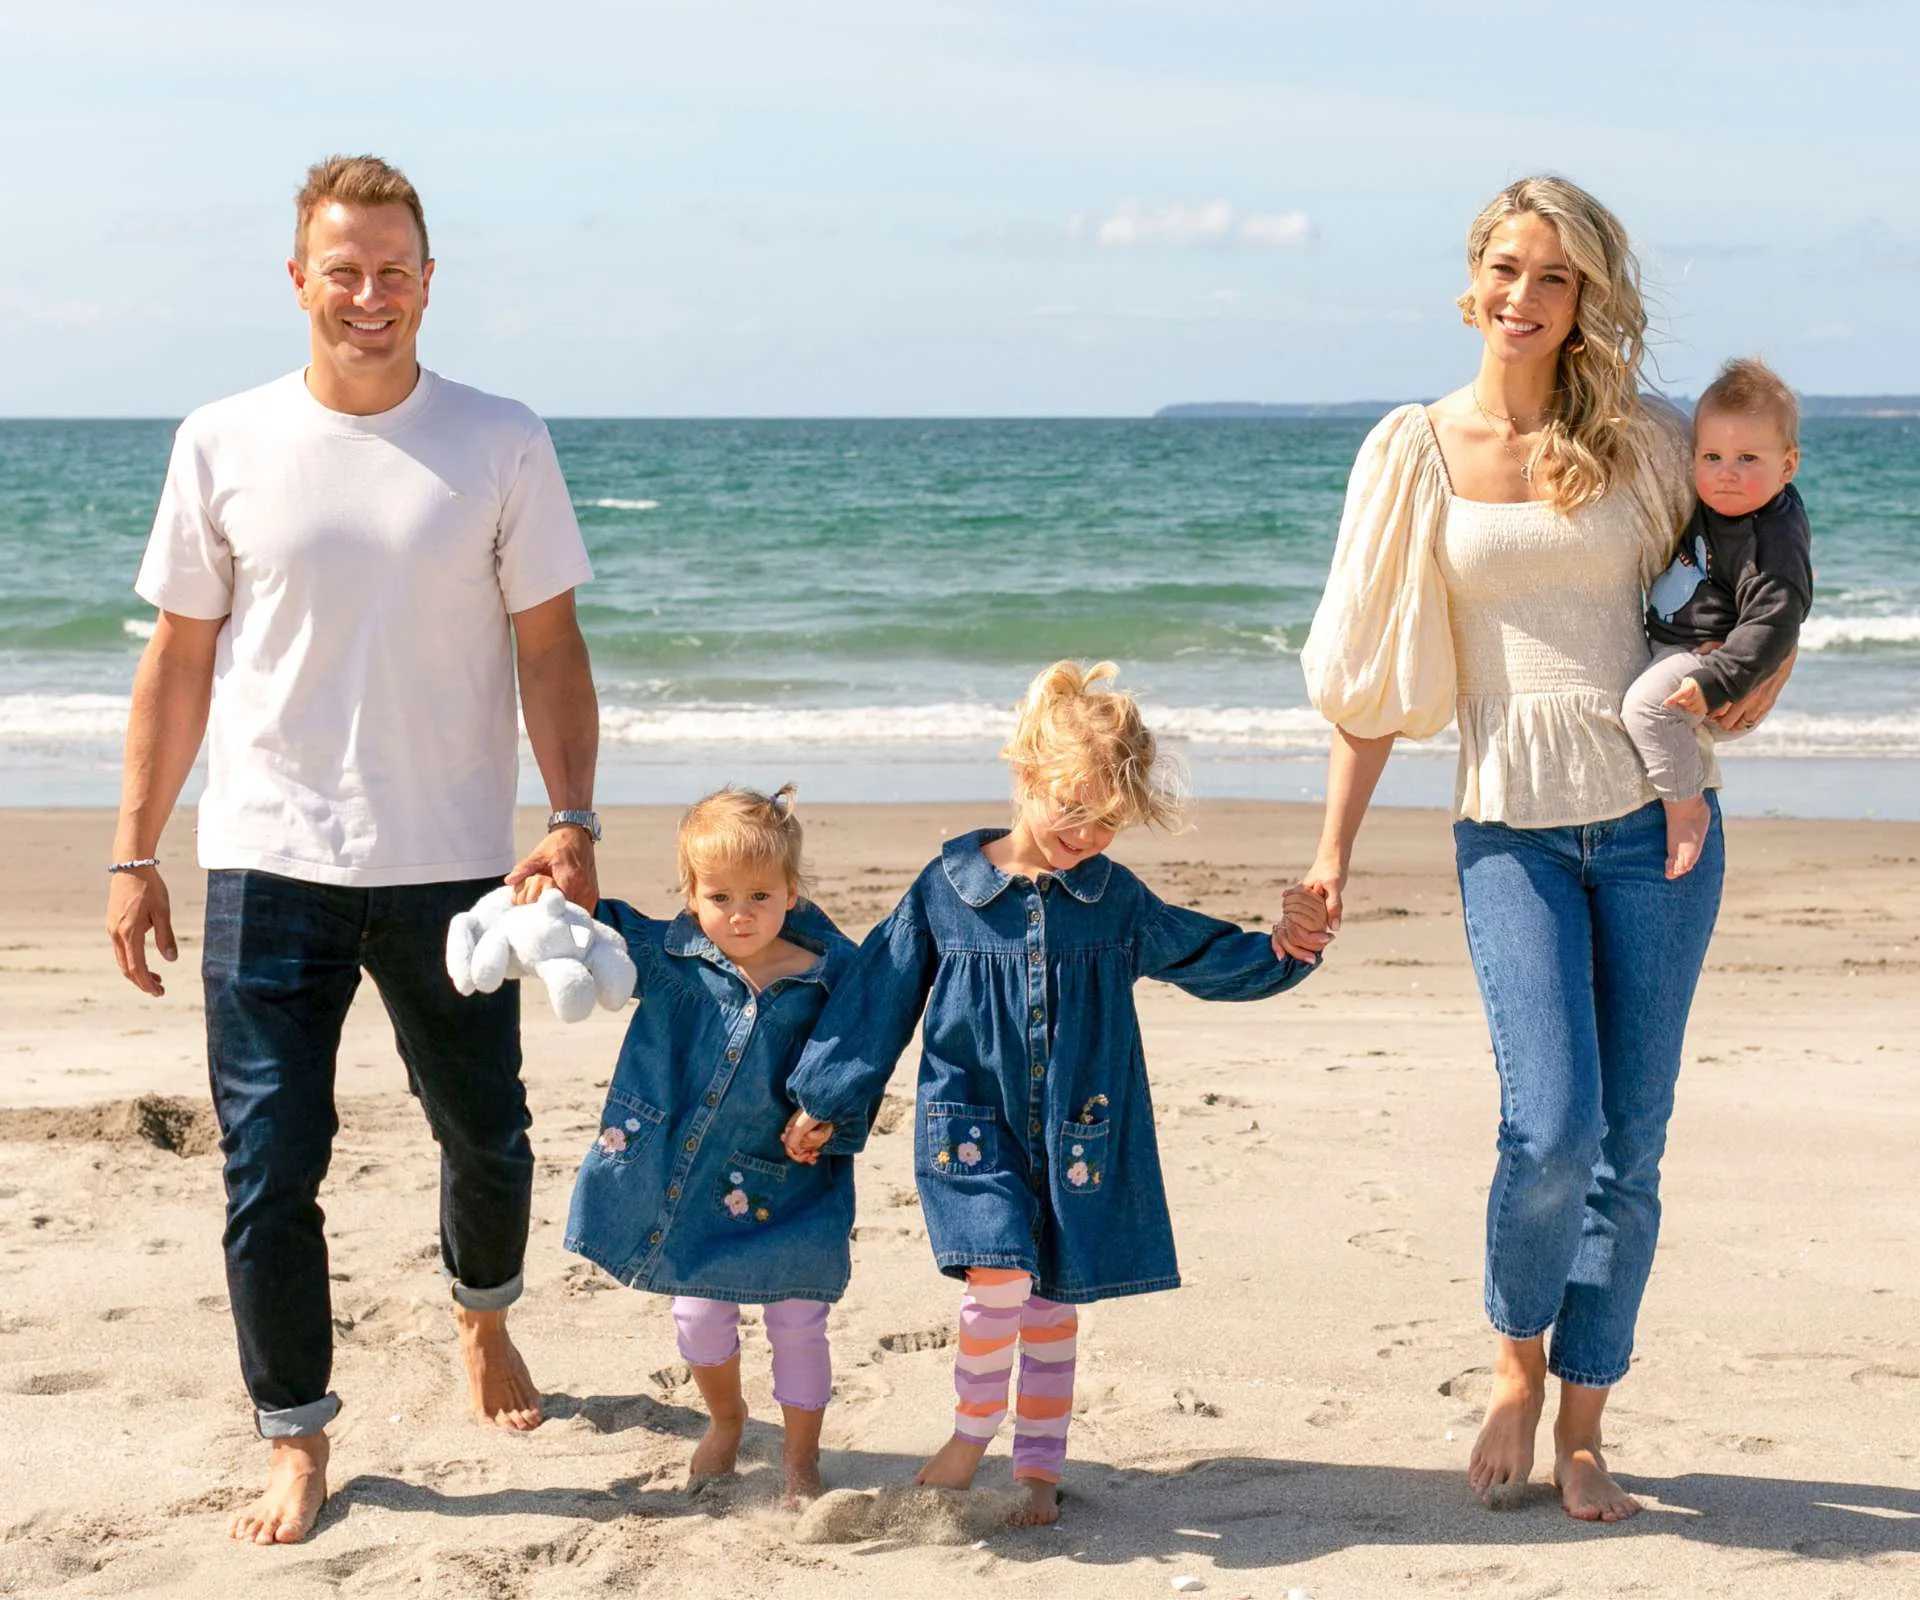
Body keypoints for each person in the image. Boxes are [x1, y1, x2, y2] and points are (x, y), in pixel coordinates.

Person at [104, 154, 602, 1546]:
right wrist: (133, 851)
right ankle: (296, 1433)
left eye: (395, 270)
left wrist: (571, 819)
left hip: (455, 863)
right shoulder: (222, 441)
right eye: (345, 270)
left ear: (429, 281)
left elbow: (549, 649)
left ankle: (483, 1315)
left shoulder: (500, 439)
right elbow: (177, 666)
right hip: (268, 862)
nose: (370, 295)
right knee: (270, 1165)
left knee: (487, 1138)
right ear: (299, 280)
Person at [1280, 176, 1794, 1524]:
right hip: (1508, 827)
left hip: (1658, 823)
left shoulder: (1653, 438)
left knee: (1633, 1142)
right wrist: (1331, 854)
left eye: (1553, 277)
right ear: (1473, 279)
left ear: (1585, 300)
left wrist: (1756, 681)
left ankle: (1586, 1423)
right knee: (1550, 1127)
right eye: (1507, 268)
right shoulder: (1413, 451)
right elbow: (1373, 672)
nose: (1524, 296)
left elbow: (1765, 572)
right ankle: (1515, 1361)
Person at [780, 661, 1326, 1527]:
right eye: (1072, 808)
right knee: (996, 1275)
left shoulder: (1114, 901)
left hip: (1082, 1129)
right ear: (1026, 775)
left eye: (1108, 821)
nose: (1087, 834)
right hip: (971, 1125)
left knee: (1050, 1306)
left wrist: (1288, 949)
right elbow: (878, 995)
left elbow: (1208, 957)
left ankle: (1037, 1467)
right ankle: (971, 1434)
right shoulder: (949, 888)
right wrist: (828, 1097)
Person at [545, 786, 854, 1507]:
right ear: (689, 894)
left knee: (798, 1321)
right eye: (718, 897)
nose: (739, 915)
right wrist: (544, 892)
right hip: (689, 1184)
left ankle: (802, 1459)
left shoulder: (830, 976)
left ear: (792, 892)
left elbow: (863, 1055)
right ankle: (726, 1416)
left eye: (760, 896)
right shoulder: (668, 956)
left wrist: (833, 1112)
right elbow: (584, 927)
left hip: (788, 1183)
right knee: (695, 1312)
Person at [1624, 357, 1813, 877]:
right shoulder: (1716, 501)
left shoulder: (1769, 537)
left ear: (1788, 466)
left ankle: (1686, 808)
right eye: (1711, 455)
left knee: (1646, 709)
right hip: (1678, 643)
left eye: (1748, 458)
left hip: (1710, 662)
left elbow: (1776, 618)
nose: (1726, 473)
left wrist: (1720, 679)